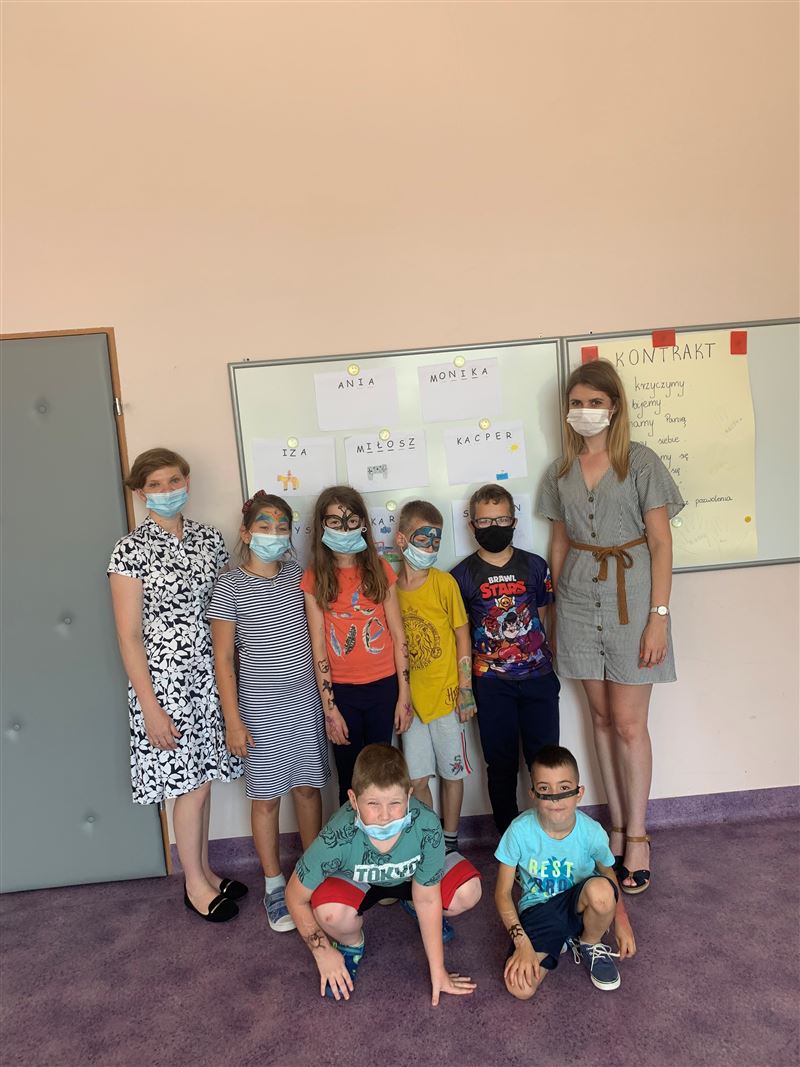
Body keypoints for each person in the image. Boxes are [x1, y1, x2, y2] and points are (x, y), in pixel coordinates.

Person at [538, 359, 685, 895]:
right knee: (599, 719)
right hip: (577, 602)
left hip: (633, 604)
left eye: (595, 402)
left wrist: (658, 618)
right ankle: (616, 829)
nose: (585, 411)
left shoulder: (640, 462)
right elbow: (558, 543)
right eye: (577, 403)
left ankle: (639, 837)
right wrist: (554, 613)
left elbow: (662, 543)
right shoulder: (559, 471)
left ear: (614, 407)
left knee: (628, 724)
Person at [108, 447, 243, 922]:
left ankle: (205, 871)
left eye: (173, 480)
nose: (166, 490)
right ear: (140, 493)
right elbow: (128, 636)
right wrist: (150, 708)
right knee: (189, 785)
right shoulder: (129, 550)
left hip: (210, 677)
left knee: (205, 779)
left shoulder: (210, 539)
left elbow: (226, 609)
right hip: (165, 684)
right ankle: (193, 884)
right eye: (155, 484)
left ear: (187, 481)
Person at [208, 490, 329, 932]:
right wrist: (233, 721)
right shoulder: (229, 585)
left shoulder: (298, 575)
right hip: (259, 712)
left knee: (309, 791)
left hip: (304, 705)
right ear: (245, 533)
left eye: (282, 527)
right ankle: (274, 884)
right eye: (264, 527)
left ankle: (312, 876)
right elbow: (224, 659)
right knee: (266, 799)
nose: (274, 535)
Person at [285, 744, 481, 1005]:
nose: (385, 816)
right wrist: (322, 953)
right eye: (373, 804)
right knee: (329, 914)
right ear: (353, 799)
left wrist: (439, 972)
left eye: (395, 803)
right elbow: (295, 896)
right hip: (359, 881)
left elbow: (428, 897)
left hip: (412, 879)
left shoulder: (426, 824)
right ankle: (351, 944)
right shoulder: (336, 836)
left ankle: (412, 907)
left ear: (409, 796)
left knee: (468, 891)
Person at [450, 484, 560, 834]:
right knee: (500, 765)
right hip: (491, 685)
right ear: (472, 525)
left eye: (500, 519)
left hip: (538, 679)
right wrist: (465, 687)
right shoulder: (461, 576)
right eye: (485, 521)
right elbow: (460, 634)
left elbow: (544, 616)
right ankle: (510, 840)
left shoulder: (535, 565)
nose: (493, 527)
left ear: (514, 521)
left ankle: (550, 833)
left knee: (546, 762)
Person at [495, 745, 636, 999]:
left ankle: (590, 942)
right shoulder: (518, 831)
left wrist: (622, 920)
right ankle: (562, 937)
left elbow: (608, 874)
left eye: (564, 788)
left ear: (579, 793)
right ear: (533, 794)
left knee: (602, 890)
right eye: (545, 789)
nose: (555, 799)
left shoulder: (592, 832)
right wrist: (522, 942)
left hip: (579, 905)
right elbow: (502, 894)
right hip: (539, 910)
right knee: (521, 988)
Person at [300, 486, 412, 804]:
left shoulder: (379, 568)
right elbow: (318, 645)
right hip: (342, 692)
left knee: (381, 775)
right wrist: (330, 708)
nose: (344, 529)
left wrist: (404, 695)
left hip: (383, 687)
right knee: (349, 777)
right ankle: (352, 836)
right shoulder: (315, 577)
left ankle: (382, 833)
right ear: (322, 525)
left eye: (351, 521)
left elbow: (398, 635)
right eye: (334, 522)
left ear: (363, 523)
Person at [395, 500, 475, 856]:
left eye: (436, 541)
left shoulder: (444, 583)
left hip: (446, 698)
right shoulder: (390, 588)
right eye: (422, 539)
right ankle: (430, 840)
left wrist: (466, 688)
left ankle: (450, 839)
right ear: (401, 540)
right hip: (411, 703)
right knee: (416, 779)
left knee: (452, 773)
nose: (430, 547)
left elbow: (462, 636)